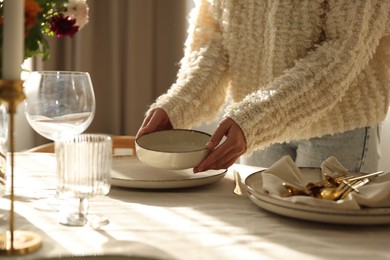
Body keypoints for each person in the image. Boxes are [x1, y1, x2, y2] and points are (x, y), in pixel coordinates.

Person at [137, 0, 390, 173]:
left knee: (323, 248)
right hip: (257, 131)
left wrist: (257, 119)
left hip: (338, 130)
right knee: (264, 243)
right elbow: (214, 40)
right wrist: (179, 105)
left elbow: (344, 51)